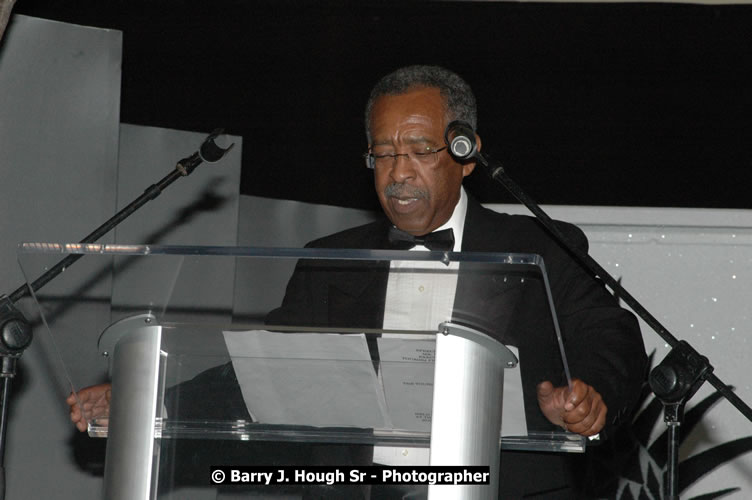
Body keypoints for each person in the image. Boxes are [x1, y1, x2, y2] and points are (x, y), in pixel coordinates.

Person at [69, 65, 647, 498]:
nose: (398, 172)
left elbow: (613, 339)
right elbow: (262, 375)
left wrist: (591, 395)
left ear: (467, 155)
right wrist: (145, 402)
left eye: (420, 150)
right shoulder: (333, 261)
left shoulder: (539, 246)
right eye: (383, 153)